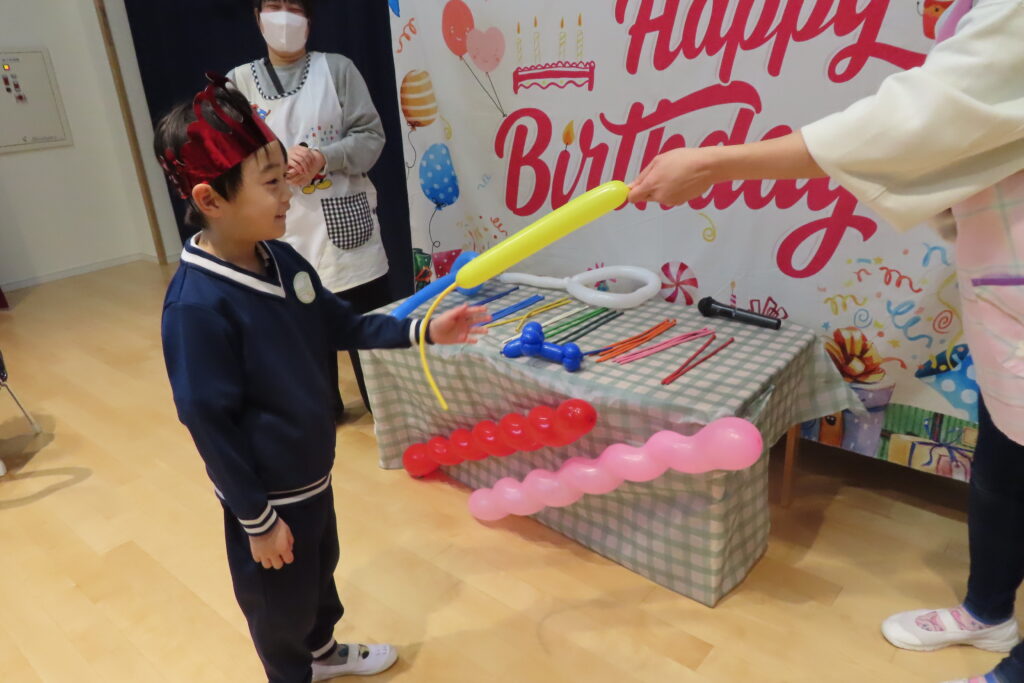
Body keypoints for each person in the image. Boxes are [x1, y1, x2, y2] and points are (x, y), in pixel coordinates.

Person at [629, 1, 1024, 681]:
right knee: (1003, 465)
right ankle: (988, 612)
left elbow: (908, 122)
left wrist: (716, 164)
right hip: (1003, 302)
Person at [155, 75, 489, 682]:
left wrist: (424, 331)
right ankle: (292, 671)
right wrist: (257, 522)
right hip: (267, 498)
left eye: (284, 175)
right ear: (210, 199)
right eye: (272, 182)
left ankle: (322, 652)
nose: (291, 190)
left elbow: (343, 325)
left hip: (313, 473)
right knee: (277, 605)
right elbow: (208, 423)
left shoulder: (282, 258)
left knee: (318, 575)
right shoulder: (196, 307)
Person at [228, 0, 390, 419]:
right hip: (277, 230)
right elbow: (229, 161)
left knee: (368, 339)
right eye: (274, 6)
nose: (283, 16)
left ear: (309, 19)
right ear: (257, 16)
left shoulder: (336, 69)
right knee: (300, 339)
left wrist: (322, 158)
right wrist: (275, 167)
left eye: (294, 7)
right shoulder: (237, 84)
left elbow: (371, 138)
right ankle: (322, 413)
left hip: (345, 226)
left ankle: (387, 411)